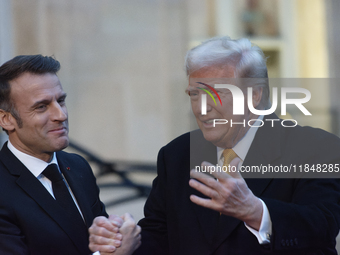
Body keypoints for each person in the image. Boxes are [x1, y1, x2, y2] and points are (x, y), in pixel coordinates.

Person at [89, 37, 340, 254]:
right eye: (195, 95)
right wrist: (124, 242)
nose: (201, 108)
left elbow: (322, 226)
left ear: (255, 95)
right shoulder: (177, 154)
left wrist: (255, 211)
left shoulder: (315, 147)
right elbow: (159, 238)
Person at [0, 55, 140, 255]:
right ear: (6, 119)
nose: (61, 115)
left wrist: (112, 234)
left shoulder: (77, 166)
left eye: (61, 101)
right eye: (41, 107)